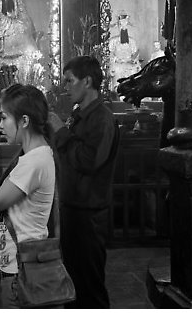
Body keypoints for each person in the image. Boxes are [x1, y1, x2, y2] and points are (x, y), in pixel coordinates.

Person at [0, 84, 56, 308]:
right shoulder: (33, 155)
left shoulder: (35, 161)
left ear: (24, 121)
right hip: (17, 263)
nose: (0, 124)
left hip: (22, 268)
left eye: (5, 117)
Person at [48, 56, 119, 309]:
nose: (66, 87)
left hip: (90, 212)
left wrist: (61, 131)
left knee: (89, 284)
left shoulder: (102, 118)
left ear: (87, 81)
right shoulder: (79, 114)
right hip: (73, 206)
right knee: (73, 280)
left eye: (70, 81)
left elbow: (89, 161)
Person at [109, 12, 140, 89]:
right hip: (118, 64)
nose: (123, 27)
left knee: (133, 72)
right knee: (117, 71)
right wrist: (116, 59)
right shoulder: (113, 41)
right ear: (118, 26)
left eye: (125, 25)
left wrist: (134, 60)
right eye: (121, 25)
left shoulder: (132, 41)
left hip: (129, 63)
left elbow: (135, 54)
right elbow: (110, 53)